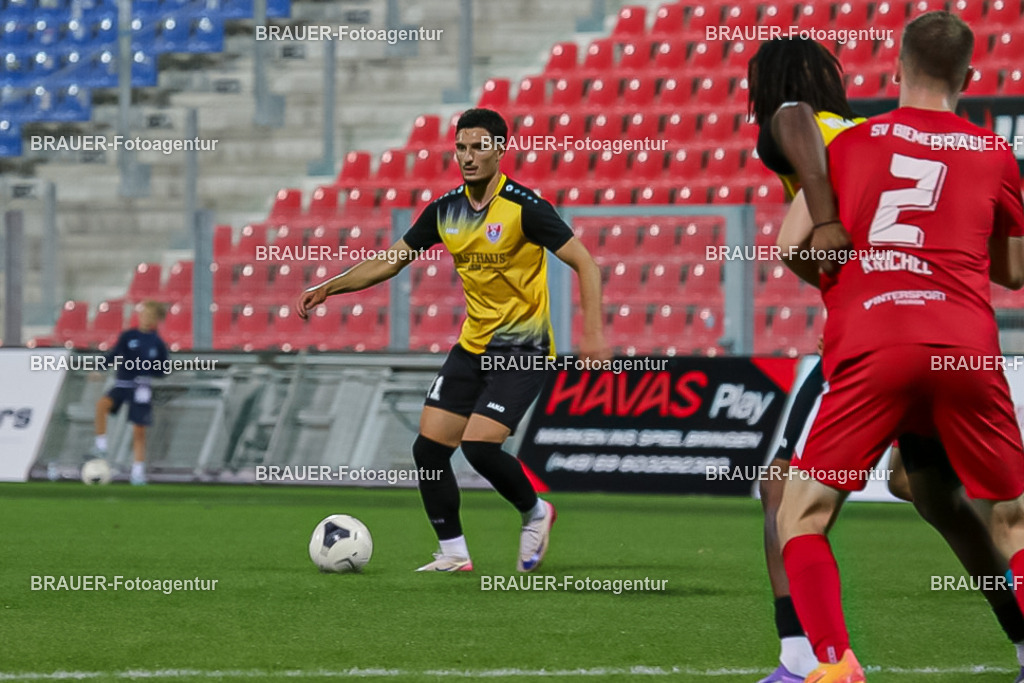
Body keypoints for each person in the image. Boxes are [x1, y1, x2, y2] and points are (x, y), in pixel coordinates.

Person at [749, 36, 1024, 682]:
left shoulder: (843, 137)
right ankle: (1019, 638)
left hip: (870, 341)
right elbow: (1012, 269)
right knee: (960, 505)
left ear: (896, 70)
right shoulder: (990, 150)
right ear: (968, 74)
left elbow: (788, 124)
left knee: (791, 499)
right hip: (960, 345)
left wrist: (844, 285)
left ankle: (813, 659)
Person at [297, 108, 611, 572]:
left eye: (478, 146)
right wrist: (331, 285)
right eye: (461, 147)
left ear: (500, 149)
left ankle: (536, 512)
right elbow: (390, 260)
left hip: (522, 350)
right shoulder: (446, 210)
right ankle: (454, 553)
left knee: (480, 446)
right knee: (429, 450)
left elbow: (586, 262)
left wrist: (592, 334)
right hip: (471, 348)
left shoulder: (525, 208)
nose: (468, 156)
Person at [92, 300, 169, 486]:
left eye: (150, 316)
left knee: (139, 430)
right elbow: (114, 354)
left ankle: (138, 470)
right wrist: (100, 368)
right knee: (102, 405)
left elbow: (163, 369)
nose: (145, 318)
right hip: (122, 384)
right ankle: (101, 445)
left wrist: (151, 369)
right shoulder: (128, 336)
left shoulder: (157, 343)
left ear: (156, 320)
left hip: (141, 387)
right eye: (143, 314)